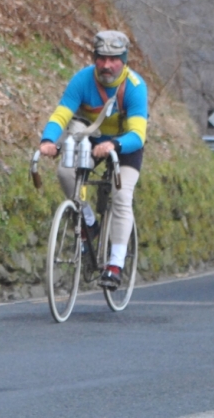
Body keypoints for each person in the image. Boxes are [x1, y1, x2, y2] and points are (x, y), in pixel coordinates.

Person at [38, 30, 148, 289]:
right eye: (101, 58)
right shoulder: (82, 80)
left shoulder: (134, 87)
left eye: (114, 59)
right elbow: (62, 114)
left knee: (121, 196)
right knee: (66, 173)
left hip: (126, 145)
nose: (107, 65)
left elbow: (138, 134)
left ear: (124, 60)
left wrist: (115, 144)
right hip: (90, 138)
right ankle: (89, 221)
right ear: (94, 58)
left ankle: (115, 265)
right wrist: (47, 140)